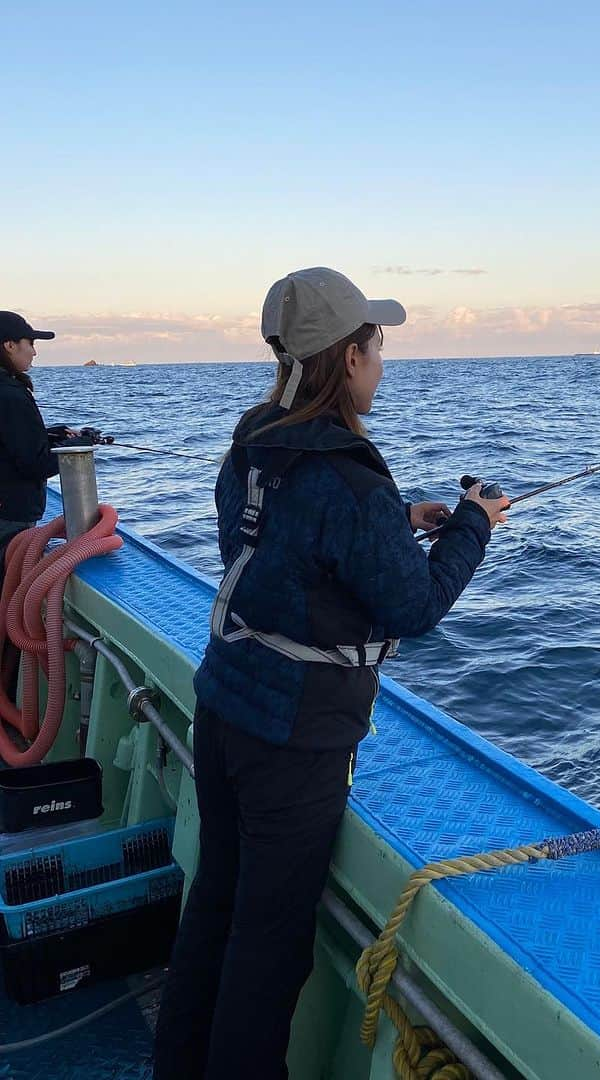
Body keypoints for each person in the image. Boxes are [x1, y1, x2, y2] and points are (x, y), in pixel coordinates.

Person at [152, 267, 509, 1079]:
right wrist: (472, 526)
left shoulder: (254, 436)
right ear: (348, 359)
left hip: (224, 707)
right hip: (294, 742)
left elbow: (276, 552)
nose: (382, 363)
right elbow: (413, 609)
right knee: (269, 947)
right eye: (376, 347)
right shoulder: (347, 476)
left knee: (213, 906)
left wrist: (396, 519)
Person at [0, 311, 95, 567]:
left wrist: (50, 435)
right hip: (9, 518)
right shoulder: (10, 395)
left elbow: (9, 442)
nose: (34, 352)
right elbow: (35, 464)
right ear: (9, 345)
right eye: (30, 344)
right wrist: (76, 448)